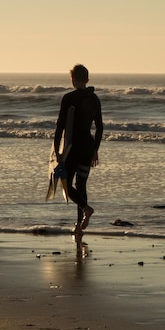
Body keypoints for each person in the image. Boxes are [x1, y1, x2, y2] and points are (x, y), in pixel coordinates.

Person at [54, 64, 103, 236]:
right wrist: (95, 150)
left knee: (65, 183)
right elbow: (100, 127)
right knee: (81, 186)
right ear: (87, 80)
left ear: (72, 79)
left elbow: (60, 126)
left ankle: (85, 209)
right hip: (88, 146)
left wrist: (57, 151)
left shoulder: (68, 98)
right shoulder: (94, 99)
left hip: (73, 148)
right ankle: (78, 227)